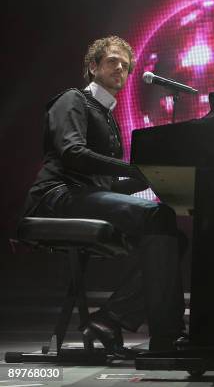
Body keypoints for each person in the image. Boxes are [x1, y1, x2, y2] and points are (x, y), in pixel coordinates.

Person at [22, 36, 185, 356]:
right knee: (158, 217)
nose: (120, 68)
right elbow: (72, 153)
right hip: (56, 196)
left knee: (174, 236)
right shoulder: (72, 100)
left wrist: (158, 180)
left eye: (125, 65)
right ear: (93, 66)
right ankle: (166, 337)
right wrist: (135, 169)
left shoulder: (108, 117)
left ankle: (111, 319)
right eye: (112, 61)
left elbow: (104, 186)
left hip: (85, 195)